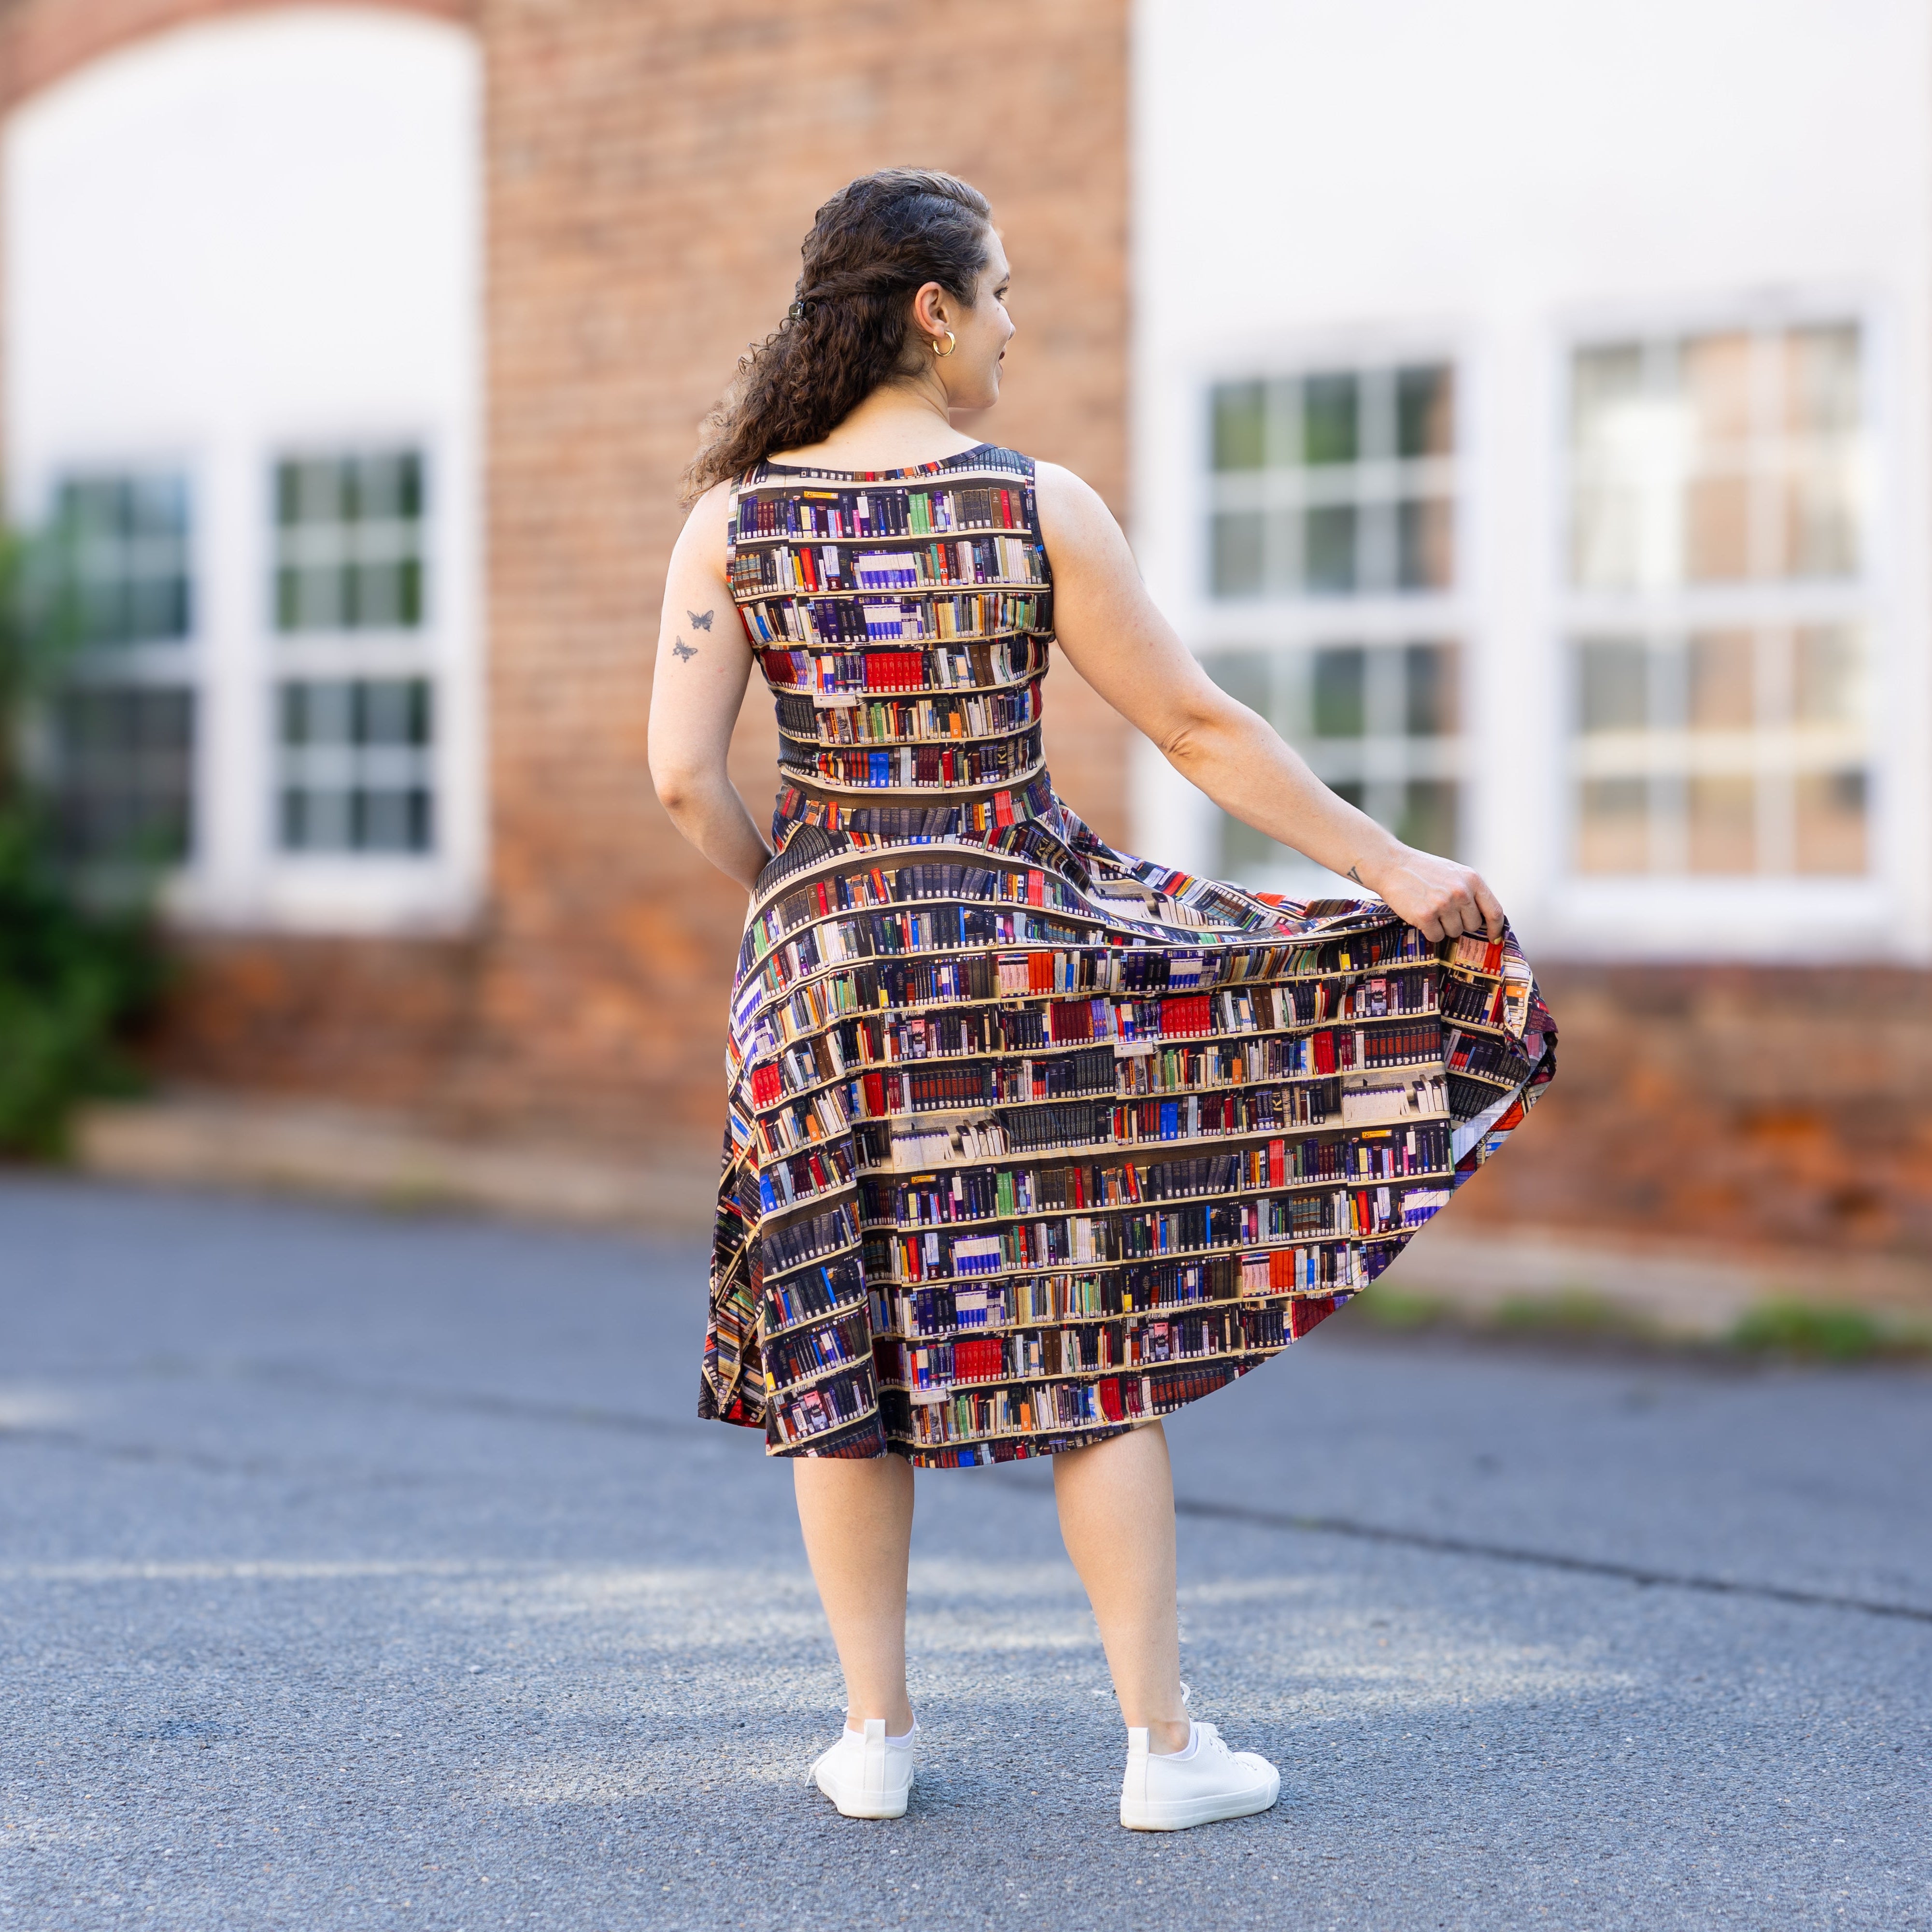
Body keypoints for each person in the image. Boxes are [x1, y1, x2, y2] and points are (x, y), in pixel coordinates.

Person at [649, 170, 1553, 1830]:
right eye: (998, 292)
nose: (1013, 323)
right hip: (1013, 956)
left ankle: (874, 1740)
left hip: (816, 973)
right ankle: (1160, 1751)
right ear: (930, 310)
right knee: (1089, 1338)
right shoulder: (1032, 503)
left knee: (841, 1340)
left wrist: (814, 896)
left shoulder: (730, 522)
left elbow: (681, 782)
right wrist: (1391, 870)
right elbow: (1199, 732)